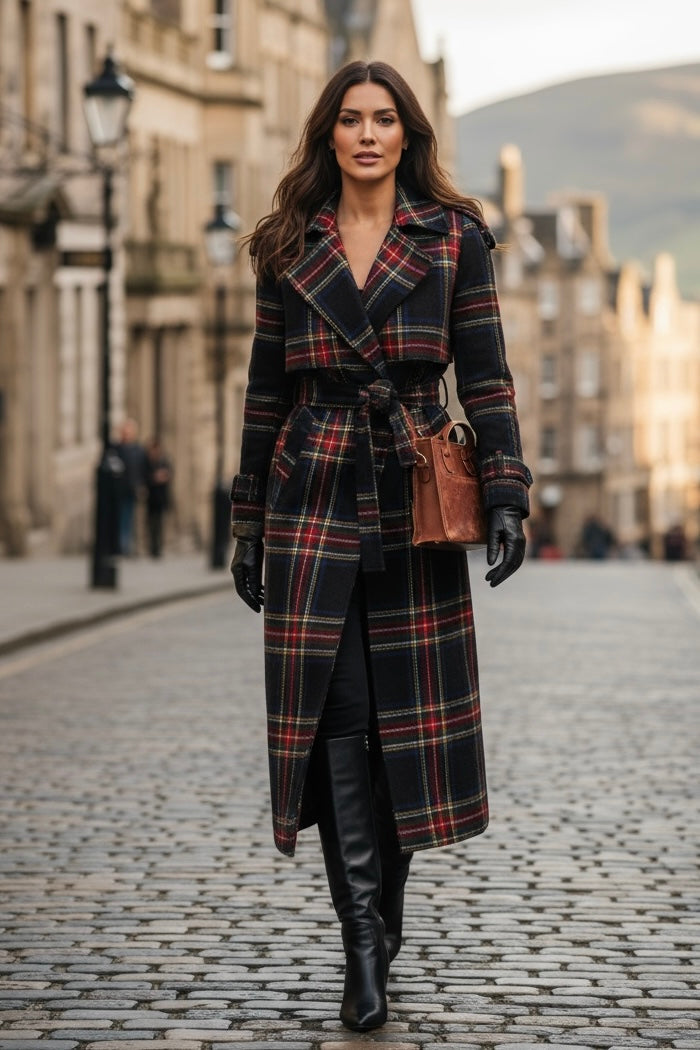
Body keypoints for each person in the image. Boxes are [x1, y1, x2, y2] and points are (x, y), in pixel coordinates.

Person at [230, 61, 532, 1032]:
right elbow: (264, 393)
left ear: (408, 135)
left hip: (410, 486)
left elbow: (485, 374)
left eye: (384, 119)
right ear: (329, 135)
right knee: (338, 723)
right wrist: (246, 523)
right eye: (351, 120)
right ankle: (363, 937)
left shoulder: (453, 239)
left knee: (398, 725)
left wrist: (507, 493)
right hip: (310, 491)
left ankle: (381, 923)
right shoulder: (289, 244)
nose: (367, 134)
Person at [115, 418, 148, 556]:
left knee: (133, 518)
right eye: (124, 432)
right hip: (118, 490)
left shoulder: (138, 450)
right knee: (121, 518)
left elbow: (143, 469)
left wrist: (142, 485)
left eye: (129, 432)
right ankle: (122, 546)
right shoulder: (116, 449)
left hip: (133, 489)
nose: (126, 435)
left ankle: (133, 546)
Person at [145, 437, 172, 558]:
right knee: (151, 523)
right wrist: (154, 478)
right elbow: (145, 476)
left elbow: (170, 473)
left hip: (161, 497)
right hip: (151, 497)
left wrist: (163, 476)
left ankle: (158, 548)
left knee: (160, 523)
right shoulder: (147, 462)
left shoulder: (164, 461)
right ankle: (152, 547)